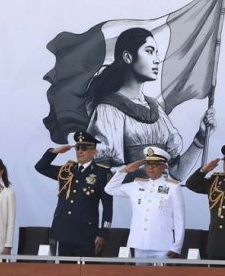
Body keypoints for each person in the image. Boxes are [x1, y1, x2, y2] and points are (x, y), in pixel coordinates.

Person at [86, 27, 215, 180]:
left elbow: (176, 174)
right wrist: (137, 172)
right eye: (149, 51)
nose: (156, 59)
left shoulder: (156, 110)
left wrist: (200, 138)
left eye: (156, 52)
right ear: (128, 57)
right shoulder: (108, 111)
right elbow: (97, 175)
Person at [34, 131, 113, 256]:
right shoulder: (66, 170)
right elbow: (40, 167)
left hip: (86, 234)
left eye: (84, 148)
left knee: (86, 274)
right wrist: (54, 152)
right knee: (65, 273)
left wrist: (103, 233)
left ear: (94, 151)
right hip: (64, 232)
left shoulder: (102, 173)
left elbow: (108, 207)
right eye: (77, 148)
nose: (79, 151)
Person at [104, 146, 185, 260]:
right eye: (148, 164)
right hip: (139, 243)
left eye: (155, 164)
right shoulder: (137, 185)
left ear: (163, 167)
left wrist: (177, 246)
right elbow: (109, 189)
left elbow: (179, 219)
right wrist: (125, 170)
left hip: (162, 244)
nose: (150, 168)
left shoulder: (173, 187)